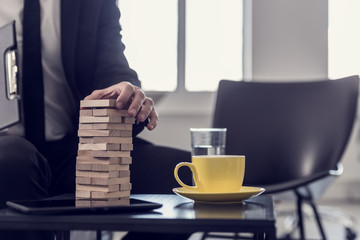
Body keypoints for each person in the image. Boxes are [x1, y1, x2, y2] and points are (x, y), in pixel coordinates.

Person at [0, 0, 191, 239]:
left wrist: (125, 91)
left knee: (186, 176)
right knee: (12, 159)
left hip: (75, 149)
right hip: (8, 149)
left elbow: (112, 68)